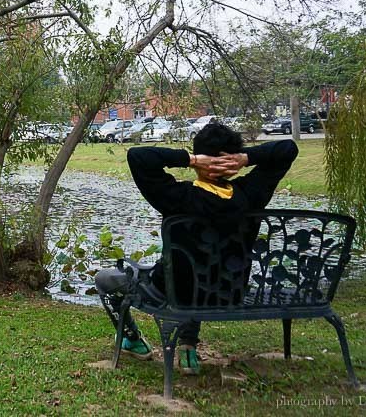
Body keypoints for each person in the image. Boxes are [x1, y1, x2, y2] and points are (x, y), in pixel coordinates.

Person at [95, 122, 298, 375]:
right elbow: (288, 148)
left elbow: (138, 156)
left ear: (201, 158)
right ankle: (188, 346)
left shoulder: (178, 197)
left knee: (105, 278)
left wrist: (190, 160)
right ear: (233, 162)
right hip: (229, 292)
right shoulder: (251, 194)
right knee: (202, 273)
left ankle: (133, 340)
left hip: (173, 292)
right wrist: (246, 159)